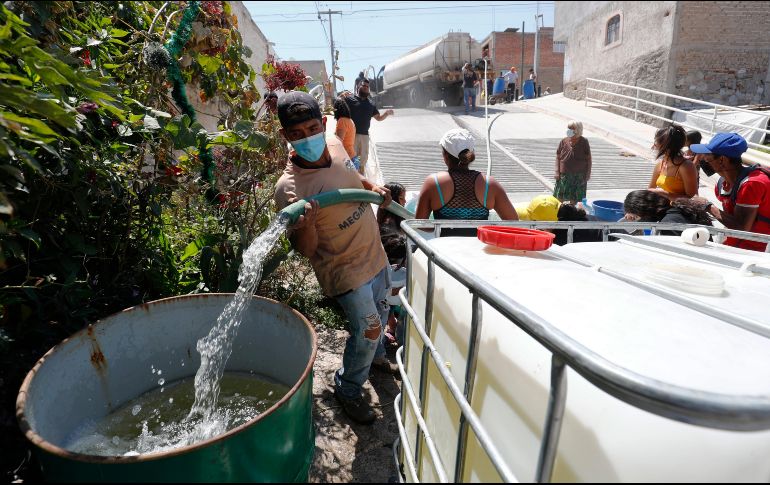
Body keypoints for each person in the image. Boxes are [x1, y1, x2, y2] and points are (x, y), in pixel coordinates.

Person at [272, 91, 394, 424]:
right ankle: (349, 388)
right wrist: (307, 226)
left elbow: (352, 177)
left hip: (373, 252)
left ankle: (376, 357)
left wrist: (373, 187)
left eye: (311, 128)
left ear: (322, 123)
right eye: (295, 134)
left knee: (382, 314)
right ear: (285, 136)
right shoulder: (290, 190)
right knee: (368, 329)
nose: (306, 138)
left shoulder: (336, 144)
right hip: (343, 270)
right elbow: (307, 251)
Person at [416, 128, 518, 236]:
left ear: (445, 155)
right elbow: (513, 222)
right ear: (470, 154)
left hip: (444, 250)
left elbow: (420, 223)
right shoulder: (490, 184)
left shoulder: (434, 183)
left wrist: (441, 226)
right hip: (478, 249)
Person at [689, 132, 770, 251]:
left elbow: (742, 228)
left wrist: (707, 206)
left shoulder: (752, 184)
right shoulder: (723, 184)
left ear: (722, 160)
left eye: (707, 155)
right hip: (734, 246)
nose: (703, 159)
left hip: (756, 253)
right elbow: (731, 219)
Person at [376, 182, 407, 352]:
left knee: (385, 303)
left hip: (388, 279)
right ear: (394, 200)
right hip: (395, 277)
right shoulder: (392, 226)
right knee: (393, 303)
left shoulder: (384, 220)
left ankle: (390, 328)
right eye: (402, 198)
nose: (405, 201)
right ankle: (397, 334)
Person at [345, 78, 394, 176]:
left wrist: (386, 113)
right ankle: (349, 177)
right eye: (363, 86)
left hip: (364, 136)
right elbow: (339, 107)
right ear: (359, 87)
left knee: (362, 160)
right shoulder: (349, 99)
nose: (365, 88)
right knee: (350, 158)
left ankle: (361, 180)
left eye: (367, 87)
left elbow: (378, 118)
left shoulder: (371, 104)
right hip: (352, 135)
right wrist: (341, 96)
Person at [623, 189, 713, 236]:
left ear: (645, 210)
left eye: (637, 218)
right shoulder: (678, 208)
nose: (640, 221)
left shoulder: (668, 224)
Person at [648, 124, 698, 200]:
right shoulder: (660, 165)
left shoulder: (686, 166)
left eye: (656, 141)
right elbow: (650, 190)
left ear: (665, 145)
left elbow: (693, 198)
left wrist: (665, 194)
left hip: (678, 210)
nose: (653, 145)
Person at [553, 120, 592, 205]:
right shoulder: (563, 141)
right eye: (568, 128)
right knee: (559, 198)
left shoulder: (584, 142)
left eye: (572, 128)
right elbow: (558, 157)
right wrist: (557, 172)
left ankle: (570, 214)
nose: (569, 130)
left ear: (578, 130)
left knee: (574, 199)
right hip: (564, 175)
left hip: (578, 176)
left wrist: (588, 174)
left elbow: (589, 159)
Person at [333, 96, 358, 168]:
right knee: (353, 178)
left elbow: (339, 142)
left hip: (347, 159)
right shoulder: (350, 120)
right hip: (353, 157)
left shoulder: (342, 121)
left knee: (347, 178)